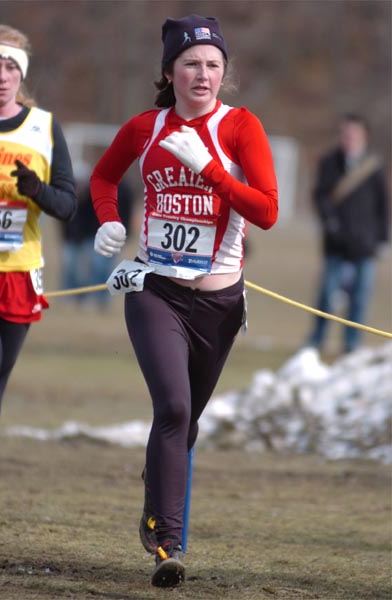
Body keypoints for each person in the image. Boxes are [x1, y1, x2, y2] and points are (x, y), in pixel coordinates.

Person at [90, 14, 278, 587]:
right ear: (169, 71)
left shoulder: (240, 126)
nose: (204, 74)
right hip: (157, 292)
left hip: (219, 303)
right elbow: (102, 180)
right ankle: (166, 544)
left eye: (214, 64)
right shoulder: (146, 128)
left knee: (186, 421)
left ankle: (159, 493)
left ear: (225, 73)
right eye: (192, 63)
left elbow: (266, 211)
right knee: (171, 408)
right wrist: (107, 223)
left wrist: (211, 169)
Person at [0, 25, 77, 432]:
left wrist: (36, 190)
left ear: (21, 74)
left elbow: (67, 206)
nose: (1, 75)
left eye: (10, 66)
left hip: (19, 270)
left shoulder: (43, 128)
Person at [306, 113, 390, 354]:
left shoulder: (374, 167)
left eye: (353, 134)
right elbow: (320, 196)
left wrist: (383, 239)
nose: (349, 138)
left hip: (365, 245)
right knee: (326, 298)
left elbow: (382, 205)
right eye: (345, 134)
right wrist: (328, 220)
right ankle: (316, 341)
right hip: (336, 244)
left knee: (360, 301)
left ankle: (352, 346)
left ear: (364, 136)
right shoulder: (329, 162)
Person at [60, 161, 135, 310]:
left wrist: (125, 232)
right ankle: (80, 297)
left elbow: (126, 213)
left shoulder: (125, 191)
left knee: (101, 266)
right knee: (79, 266)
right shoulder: (81, 195)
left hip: (111, 235)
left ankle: (99, 299)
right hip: (87, 236)